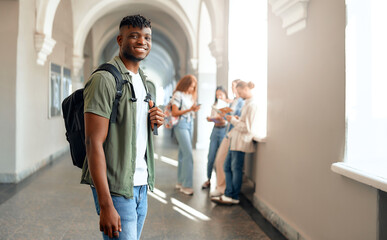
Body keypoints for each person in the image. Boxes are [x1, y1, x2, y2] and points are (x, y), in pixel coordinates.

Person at [81, 15, 165, 240]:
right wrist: (106, 204)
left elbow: (131, 127)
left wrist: (153, 119)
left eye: (147, 37)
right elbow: (92, 142)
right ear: (120, 40)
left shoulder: (143, 81)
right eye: (134, 35)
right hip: (116, 186)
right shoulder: (104, 79)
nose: (142, 41)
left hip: (140, 184)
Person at [211, 81, 258, 205]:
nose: (238, 94)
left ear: (245, 89)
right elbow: (243, 121)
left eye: (239, 91)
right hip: (235, 139)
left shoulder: (252, 105)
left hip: (241, 141)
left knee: (235, 168)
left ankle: (234, 196)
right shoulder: (246, 104)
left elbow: (247, 127)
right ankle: (228, 193)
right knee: (227, 166)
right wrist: (236, 119)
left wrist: (232, 119)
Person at [209, 80, 245, 197]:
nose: (233, 89)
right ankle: (222, 188)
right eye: (232, 87)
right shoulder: (234, 101)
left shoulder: (241, 102)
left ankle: (224, 189)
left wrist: (229, 116)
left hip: (232, 134)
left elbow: (238, 118)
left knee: (225, 163)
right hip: (228, 132)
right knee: (221, 161)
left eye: (234, 87)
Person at [171, 75, 201, 195]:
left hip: (190, 123)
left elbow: (190, 110)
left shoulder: (190, 96)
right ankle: (187, 185)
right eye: (190, 86)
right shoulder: (178, 94)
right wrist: (189, 110)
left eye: (194, 87)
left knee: (183, 153)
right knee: (188, 154)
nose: (191, 89)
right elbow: (174, 112)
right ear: (185, 84)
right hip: (181, 124)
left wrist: (194, 109)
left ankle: (180, 182)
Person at [201, 86, 229, 189]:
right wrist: (212, 119)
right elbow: (214, 119)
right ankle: (208, 179)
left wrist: (217, 119)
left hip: (223, 131)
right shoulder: (215, 105)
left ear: (225, 94)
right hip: (215, 131)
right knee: (211, 157)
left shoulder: (227, 106)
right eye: (217, 95)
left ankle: (219, 183)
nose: (219, 96)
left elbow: (224, 121)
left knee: (220, 158)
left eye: (221, 94)